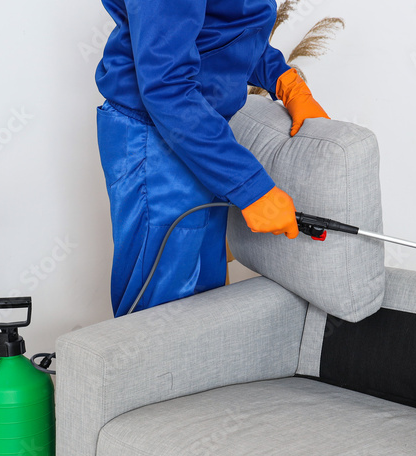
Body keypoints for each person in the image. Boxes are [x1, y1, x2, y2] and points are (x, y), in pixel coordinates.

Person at [95, 0, 329, 316]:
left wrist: (284, 81)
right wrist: (252, 188)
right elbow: (167, 86)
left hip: (200, 132)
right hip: (158, 138)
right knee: (159, 315)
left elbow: (223, 31)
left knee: (205, 304)